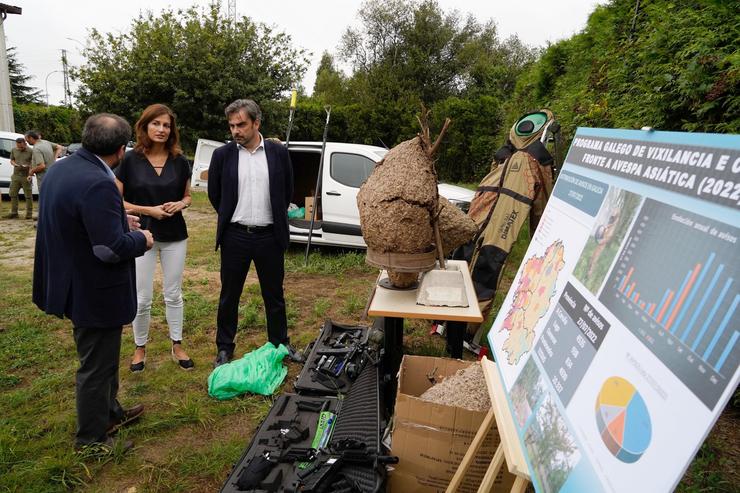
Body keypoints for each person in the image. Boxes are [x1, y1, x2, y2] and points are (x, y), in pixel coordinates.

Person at [32, 113, 154, 453]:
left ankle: (110, 412)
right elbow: (109, 249)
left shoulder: (62, 168)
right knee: (96, 366)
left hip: (71, 281)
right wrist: (140, 238)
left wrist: (118, 219)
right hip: (92, 290)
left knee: (105, 357)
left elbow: (76, 219)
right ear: (120, 149)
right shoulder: (99, 181)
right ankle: (91, 439)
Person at [208, 98, 302, 366]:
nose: (236, 131)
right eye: (232, 126)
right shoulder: (222, 156)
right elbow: (216, 194)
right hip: (235, 236)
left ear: (256, 123)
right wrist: (231, 217)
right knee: (229, 295)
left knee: (274, 295)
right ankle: (224, 348)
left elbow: (286, 190)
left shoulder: (277, 153)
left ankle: (280, 343)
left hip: (269, 236)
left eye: (241, 125)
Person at [114, 104, 194, 372]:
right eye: (156, 124)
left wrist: (180, 205)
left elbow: (187, 196)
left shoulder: (180, 161)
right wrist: (148, 210)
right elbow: (117, 201)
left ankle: (177, 344)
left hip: (175, 236)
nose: (161, 129)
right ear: (145, 126)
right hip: (140, 236)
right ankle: (139, 348)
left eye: (166, 125)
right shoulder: (129, 160)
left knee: (173, 294)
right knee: (142, 297)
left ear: (172, 130)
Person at [5, 137, 37, 219]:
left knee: (28, 196)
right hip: (16, 175)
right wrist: (14, 164)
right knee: (12, 194)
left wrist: (28, 166)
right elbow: (12, 160)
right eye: (18, 147)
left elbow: (34, 163)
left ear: (25, 143)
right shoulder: (14, 150)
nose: (20, 148)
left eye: (21, 147)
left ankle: (29, 214)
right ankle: (14, 212)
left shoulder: (31, 151)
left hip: (26, 176)